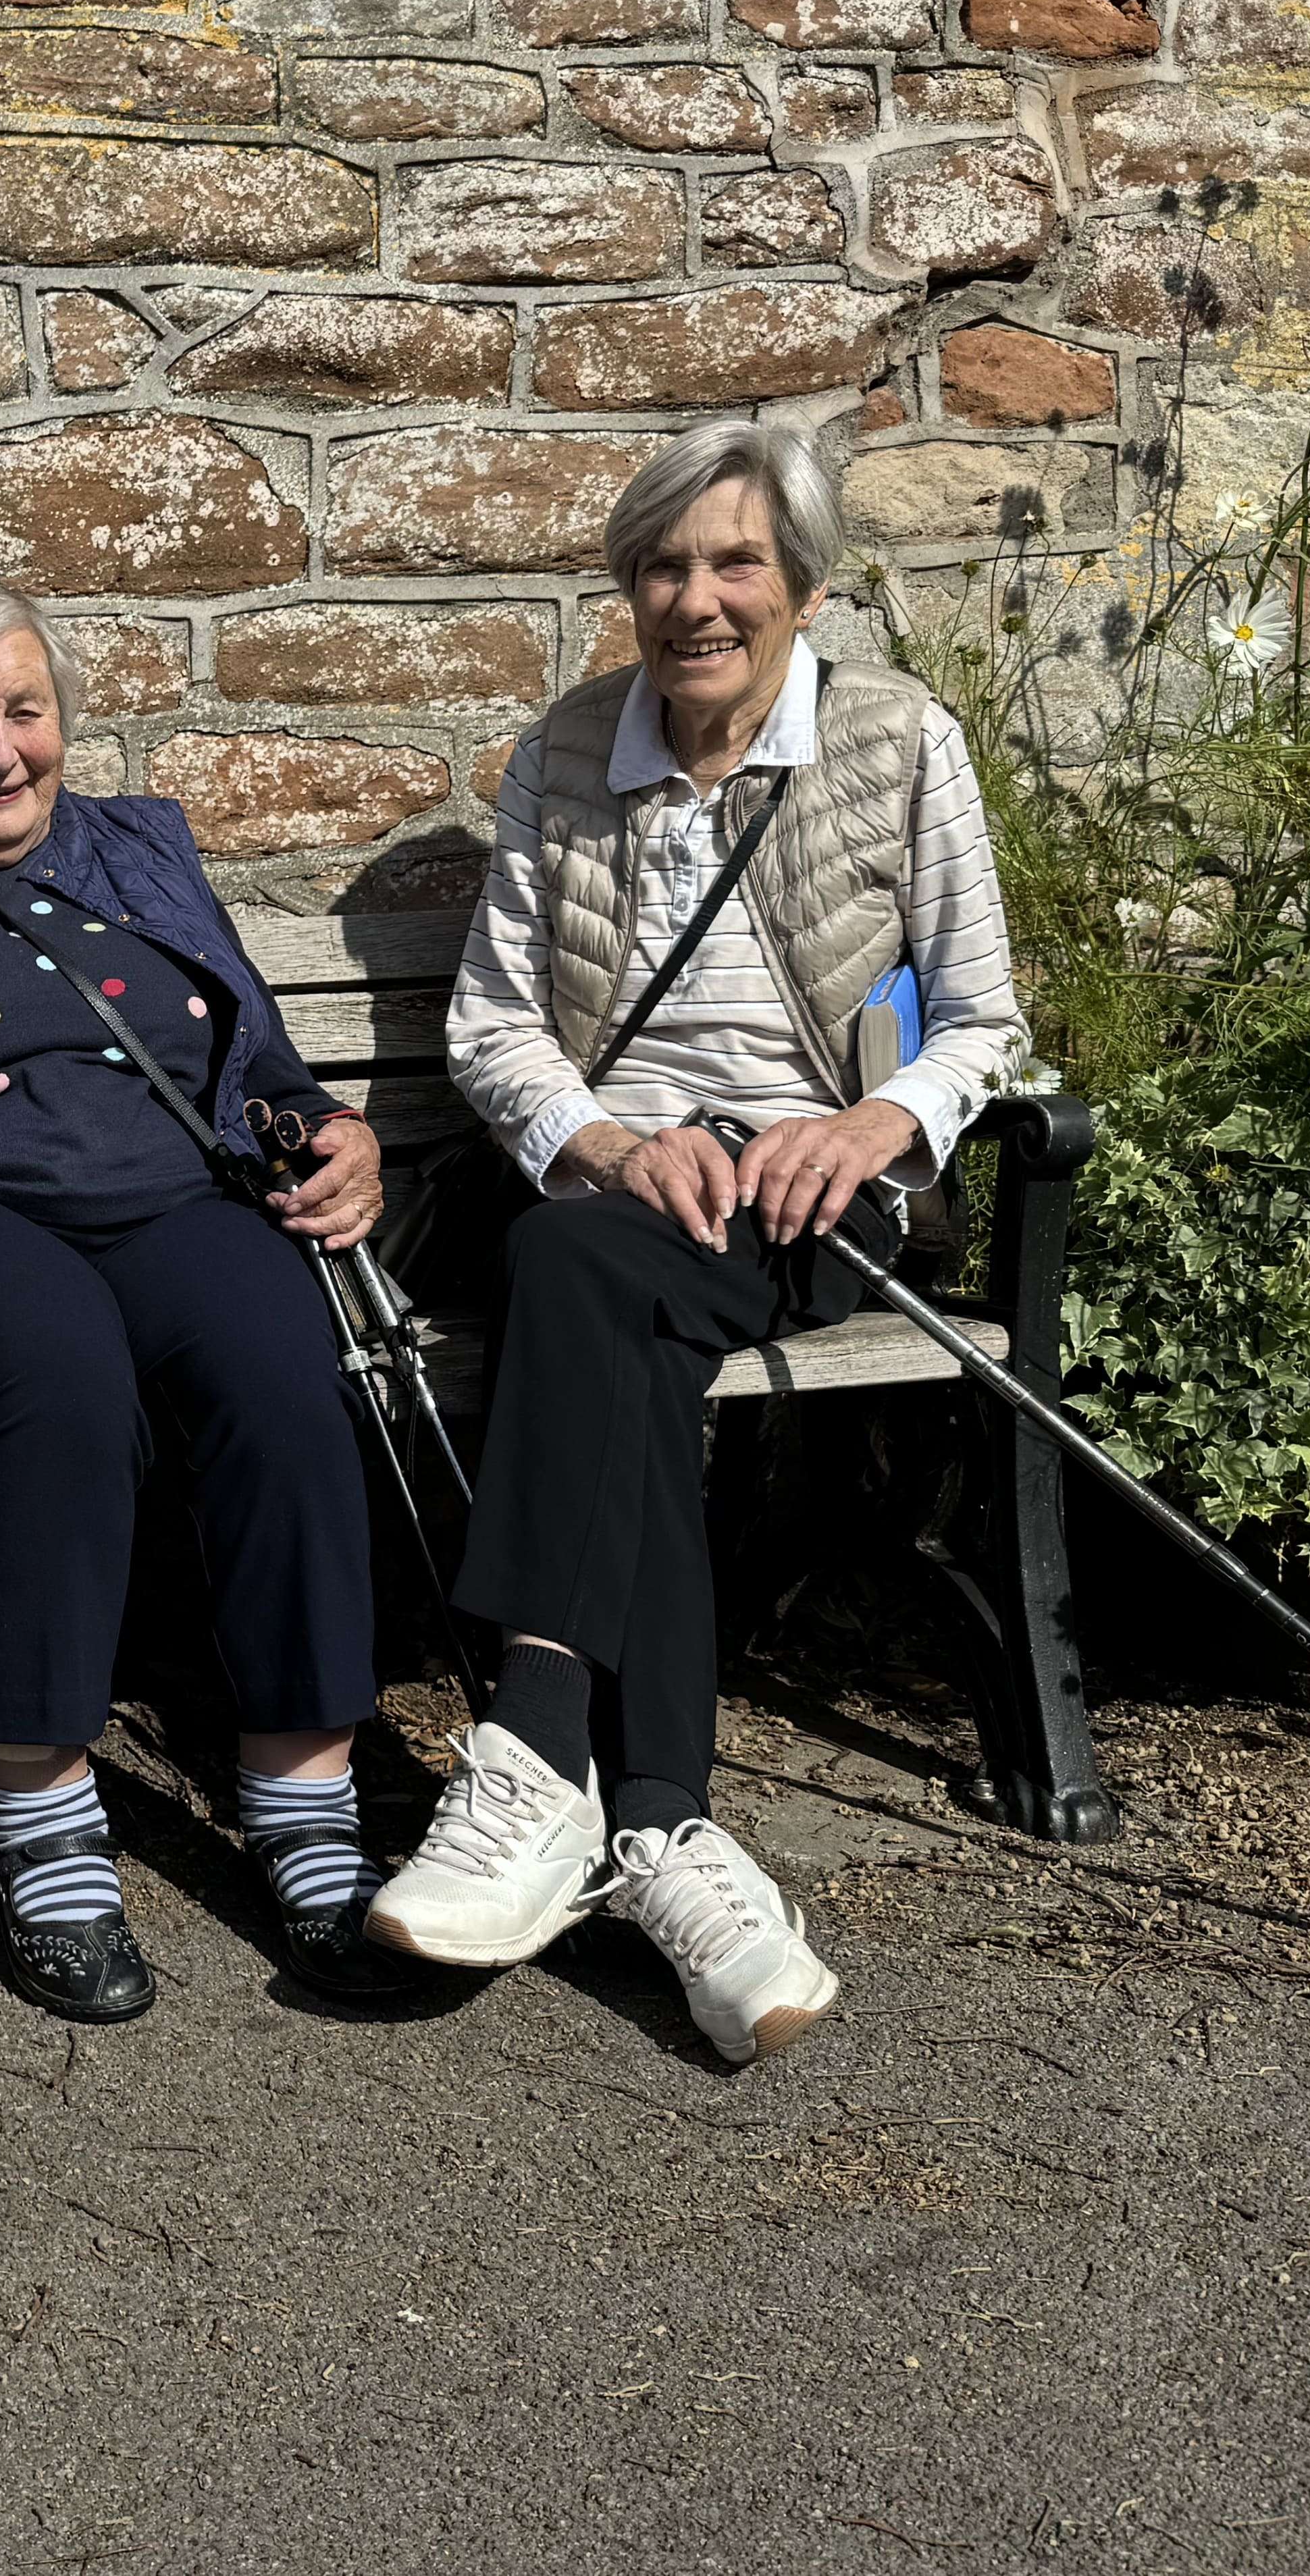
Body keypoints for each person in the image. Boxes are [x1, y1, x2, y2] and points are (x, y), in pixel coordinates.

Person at [379, 417, 1028, 2064]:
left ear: (803, 588)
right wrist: (601, 1140)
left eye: (736, 561)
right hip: (625, 1194)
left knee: (565, 1272)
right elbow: (494, 1026)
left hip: (815, 1194)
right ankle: (671, 1839)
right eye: (664, 567)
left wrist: (877, 1127)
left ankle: (533, 1759)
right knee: (606, 1296)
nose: (698, 599)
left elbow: (982, 1020)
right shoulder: (568, 750)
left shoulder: (897, 743)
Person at [0, 578, 401, 2020]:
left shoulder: (144, 846)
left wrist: (333, 1132)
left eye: (24, 712)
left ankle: (304, 1795)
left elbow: (264, 1060)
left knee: (278, 1358)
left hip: (168, 1198)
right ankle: (43, 1811)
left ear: (63, 720)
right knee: (55, 1378)